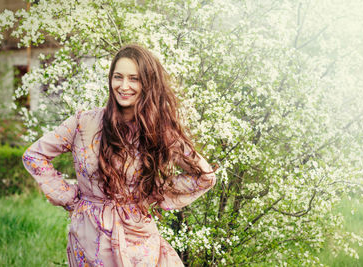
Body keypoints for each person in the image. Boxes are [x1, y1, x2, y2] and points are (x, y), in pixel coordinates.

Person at [22, 44, 217, 266]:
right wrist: (70, 197)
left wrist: (156, 192)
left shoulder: (160, 131)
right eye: (118, 77)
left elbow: (205, 176)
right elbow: (34, 155)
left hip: (139, 243)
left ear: (147, 83)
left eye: (134, 78)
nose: (124, 86)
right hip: (89, 240)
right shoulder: (82, 123)